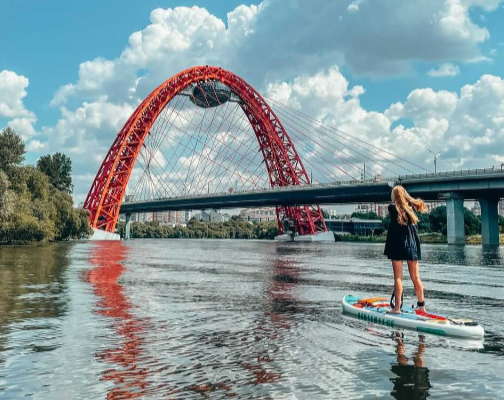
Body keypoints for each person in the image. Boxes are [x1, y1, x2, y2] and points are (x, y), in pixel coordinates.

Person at [384, 185, 427, 314]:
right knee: (416, 277)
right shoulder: (411, 211)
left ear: (394, 197)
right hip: (412, 247)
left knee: (398, 278)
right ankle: (421, 307)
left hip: (397, 247)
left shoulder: (393, 210)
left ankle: (397, 308)